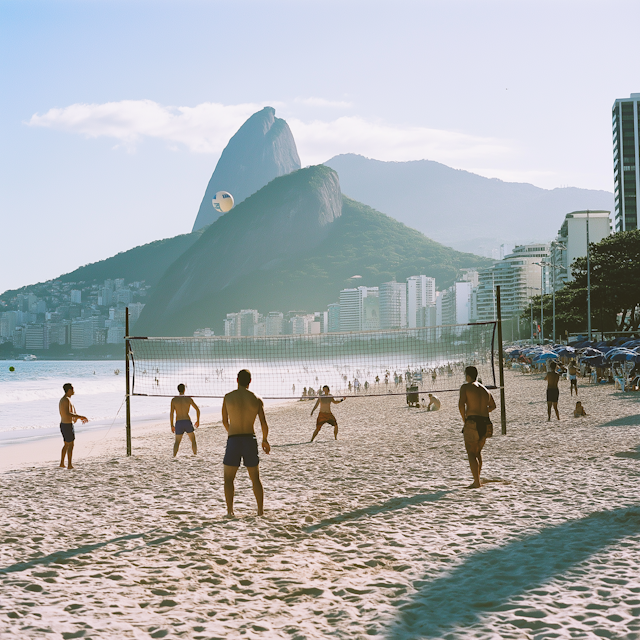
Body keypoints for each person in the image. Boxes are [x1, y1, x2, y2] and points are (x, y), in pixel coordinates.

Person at [221, 369, 270, 517]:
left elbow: (224, 421)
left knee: (228, 478)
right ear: (250, 381)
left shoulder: (228, 397)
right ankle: (260, 511)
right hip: (250, 439)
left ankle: (230, 512)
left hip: (234, 439)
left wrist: (232, 431)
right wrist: (265, 439)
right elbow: (263, 422)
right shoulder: (256, 399)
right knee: (255, 478)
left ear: (237, 380)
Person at [459, 366, 496, 489]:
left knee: (471, 452)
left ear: (467, 376)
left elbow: (460, 405)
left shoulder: (466, 387)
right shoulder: (486, 390)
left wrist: (465, 420)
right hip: (486, 422)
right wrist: (482, 411)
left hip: (473, 421)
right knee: (478, 452)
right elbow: (493, 406)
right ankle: (477, 478)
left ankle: (476, 482)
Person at [58, 383, 88, 469]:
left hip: (64, 424)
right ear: (69, 390)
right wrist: (80, 416)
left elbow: (68, 412)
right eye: (72, 389)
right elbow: (67, 413)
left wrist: (76, 417)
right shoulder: (66, 399)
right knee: (70, 445)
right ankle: (69, 465)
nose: (74, 390)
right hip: (67, 425)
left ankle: (62, 463)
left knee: (66, 444)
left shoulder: (65, 399)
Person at [170, 383, 200, 457]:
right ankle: (195, 455)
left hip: (179, 422)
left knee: (177, 442)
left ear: (178, 390)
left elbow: (171, 413)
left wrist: (171, 425)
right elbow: (197, 410)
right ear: (184, 389)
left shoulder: (174, 400)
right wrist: (198, 420)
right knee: (193, 440)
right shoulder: (188, 399)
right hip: (187, 421)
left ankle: (174, 456)